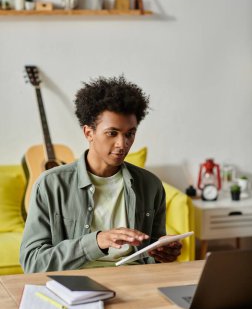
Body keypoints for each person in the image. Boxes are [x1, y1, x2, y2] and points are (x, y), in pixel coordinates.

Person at [20, 75, 182, 273]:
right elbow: (32, 262)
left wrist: (162, 252)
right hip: (76, 283)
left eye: (130, 133)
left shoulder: (150, 185)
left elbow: (152, 253)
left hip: (137, 280)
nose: (122, 144)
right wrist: (97, 241)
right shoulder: (50, 185)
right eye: (112, 133)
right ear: (89, 133)